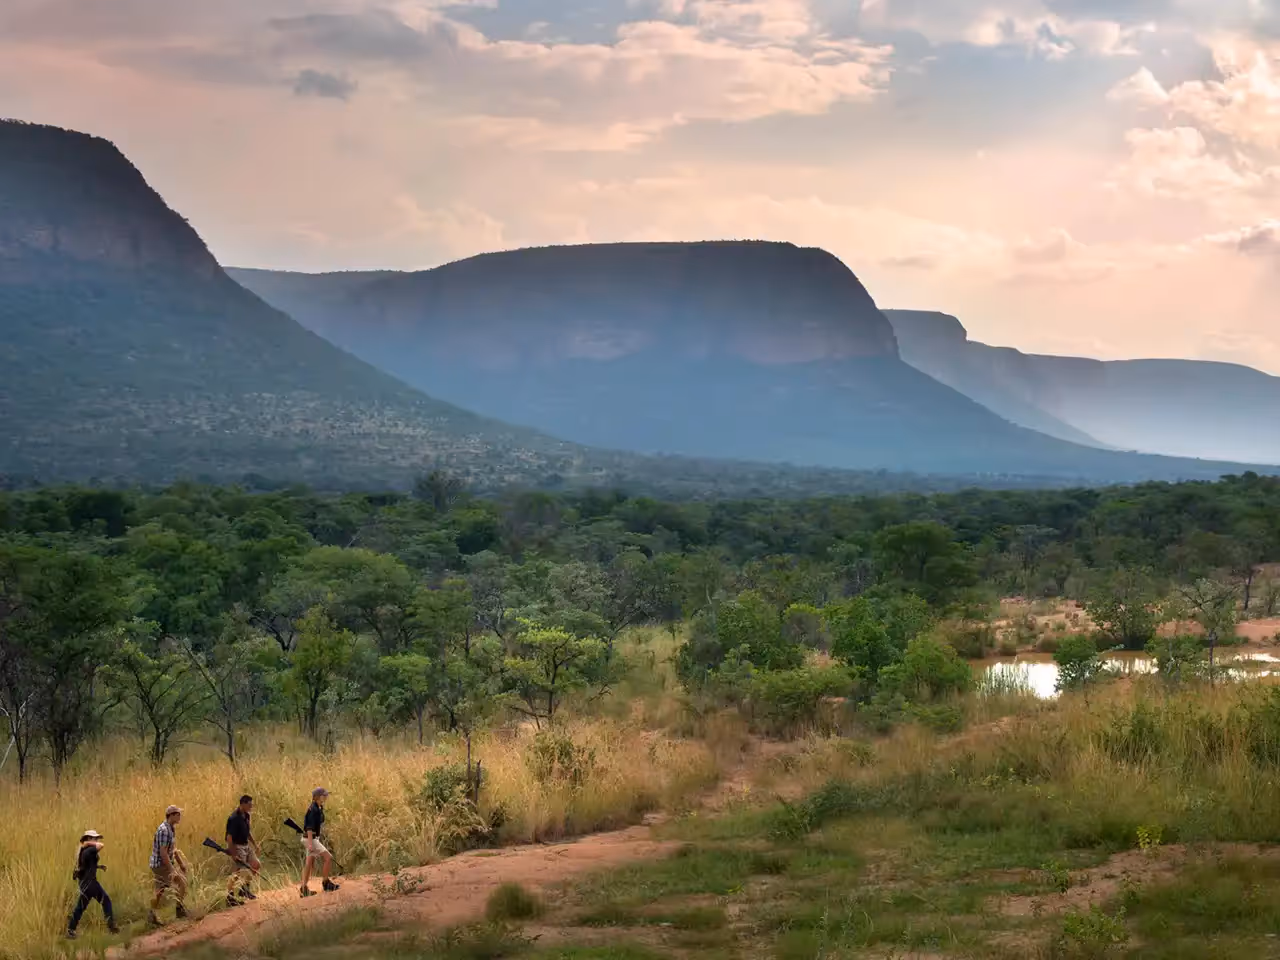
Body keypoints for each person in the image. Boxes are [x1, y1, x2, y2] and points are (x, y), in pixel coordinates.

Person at [67, 830, 118, 939]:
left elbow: (86, 866)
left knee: (80, 907)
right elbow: (101, 845)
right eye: (95, 838)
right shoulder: (89, 849)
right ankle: (111, 927)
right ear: (89, 839)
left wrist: (98, 866)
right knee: (106, 901)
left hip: (84, 883)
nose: (97, 840)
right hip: (91, 883)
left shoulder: (83, 851)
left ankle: (71, 930)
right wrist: (89, 843)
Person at [148, 804, 188, 926]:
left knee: (160, 890)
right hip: (160, 865)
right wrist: (172, 869)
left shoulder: (171, 828)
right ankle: (178, 910)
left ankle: (153, 914)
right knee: (181, 883)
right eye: (178, 814)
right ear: (171, 815)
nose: (180, 816)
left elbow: (173, 849)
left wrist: (180, 863)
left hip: (163, 864)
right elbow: (163, 852)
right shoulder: (164, 830)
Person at [299, 786, 339, 897]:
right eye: (323, 795)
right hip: (310, 838)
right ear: (317, 797)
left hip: (310, 838)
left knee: (309, 864)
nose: (325, 797)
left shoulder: (318, 807)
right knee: (328, 857)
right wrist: (311, 843)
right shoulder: (314, 809)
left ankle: (303, 888)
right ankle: (326, 883)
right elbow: (309, 828)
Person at [225, 794, 262, 906]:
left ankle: (244, 889)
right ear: (243, 804)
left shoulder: (246, 815)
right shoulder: (233, 818)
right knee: (238, 872)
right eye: (249, 805)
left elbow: (247, 831)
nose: (251, 807)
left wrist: (255, 844)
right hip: (237, 846)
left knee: (255, 865)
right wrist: (233, 853)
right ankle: (229, 896)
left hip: (246, 845)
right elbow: (229, 837)